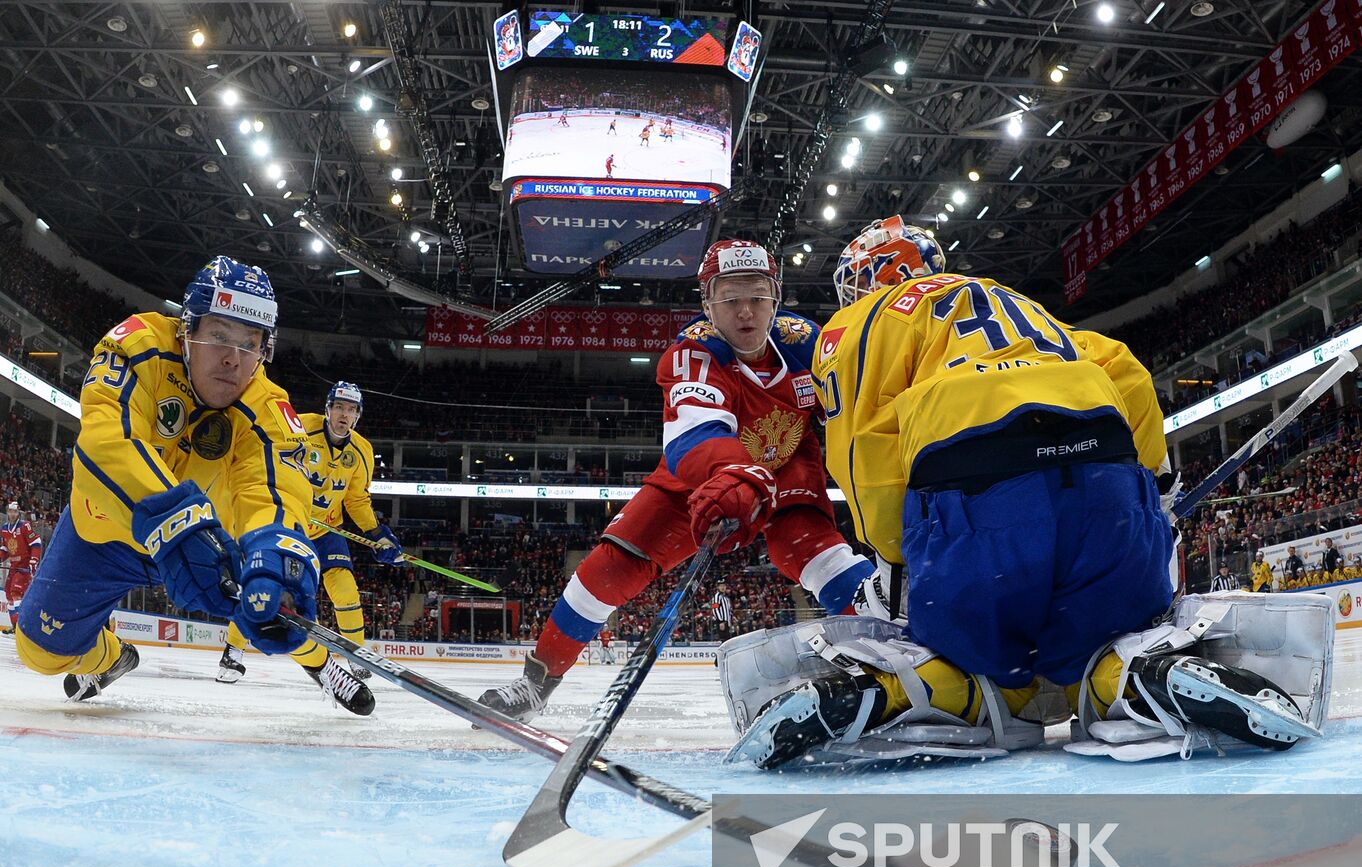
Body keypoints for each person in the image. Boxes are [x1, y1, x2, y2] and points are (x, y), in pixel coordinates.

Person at [723, 217, 1326, 768]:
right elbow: (1127, 372)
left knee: (977, 661)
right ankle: (1136, 674)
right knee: (1106, 638)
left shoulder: (858, 322)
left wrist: (893, 555)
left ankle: (906, 688)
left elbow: (862, 451)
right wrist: (1155, 490)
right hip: (1105, 472)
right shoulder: (1011, 301)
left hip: (974, 487)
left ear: (862, 281)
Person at [478, 239, 873, 722]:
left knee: (818, 554)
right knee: (609, 568)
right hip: (700, 479)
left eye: (757, 296)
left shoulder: (810, 343)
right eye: (730, 300)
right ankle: (537, 683)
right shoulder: (692, 352)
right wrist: (732, 472)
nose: (745, 312)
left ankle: (895, 659)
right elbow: (693, 438)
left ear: (776, 297)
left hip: (786, 466)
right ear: (708, 304)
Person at [12, 256, 373, 713]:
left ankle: (321, 664)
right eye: (219, 334)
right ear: (186, 327)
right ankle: (112, 656)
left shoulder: (266, 405)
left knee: (271, 592)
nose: (233, 359)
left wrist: (276, 543)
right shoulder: (137, 346)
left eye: (250, 344)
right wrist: (177, 521)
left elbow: (276, 486)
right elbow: (107, 441)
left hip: (209, 538)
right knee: (39, 651)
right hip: (108, 532)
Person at [218, 382, 401, 689]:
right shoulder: (301, 429)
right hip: (289, 523)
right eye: (339, 407)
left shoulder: (362, 451)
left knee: (346, 591)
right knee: (264, 587)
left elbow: (356, 500)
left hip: (327, 530)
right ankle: (233, 650)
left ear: (358, 416)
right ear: (327, 409)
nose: (344, 415)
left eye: (351, 410)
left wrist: (377, 533)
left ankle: (357, 658)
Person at [2, 501, 42, 627]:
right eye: (10, 511)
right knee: (8, 595)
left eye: (14, 511)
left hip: (24, 566)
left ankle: (21, 627)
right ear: (7, 512)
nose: (12, 514)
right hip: (14, 566)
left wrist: (34, 560)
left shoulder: (25, 526)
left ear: (18, 512)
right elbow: (5, 549)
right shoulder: (4, 528)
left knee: (16, 592)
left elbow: (36, 542)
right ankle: (15, 627)